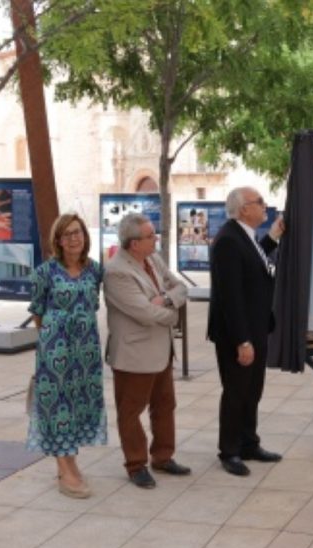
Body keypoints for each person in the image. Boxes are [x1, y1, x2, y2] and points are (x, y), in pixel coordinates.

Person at [104, 213, 191, 489]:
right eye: (150, 235)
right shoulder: (117, 271)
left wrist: (165, 299)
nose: (156, 239)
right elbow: (144, 313)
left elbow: (181, 287)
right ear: (133, 244)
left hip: (162, 351)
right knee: (131, 412)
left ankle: (163, 457)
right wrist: (172, 313)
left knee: (165, 405)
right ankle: (136, 464)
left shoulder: (153, 259)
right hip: (134, 356)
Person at [28, 213, 107, 499]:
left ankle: (70, 462)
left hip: (86, 351)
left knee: (77, 403)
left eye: (78, 232)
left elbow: (93, 304)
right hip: (56, 349)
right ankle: (65, 467)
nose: (74, 238)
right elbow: (37, 312)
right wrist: (54, 336)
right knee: (57, 404)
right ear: (58, 241)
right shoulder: (44, 273)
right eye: (68, 234)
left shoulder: (95, 270)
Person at [207, 186, 285, 476]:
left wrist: (273, 236)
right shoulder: (228, 240)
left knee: (253, 391)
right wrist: (242, 341)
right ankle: (229, 451)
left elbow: (254, 263)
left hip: (256, 328)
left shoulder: (244, 236)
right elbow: (231, 296)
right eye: (260, 202)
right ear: (243, 209)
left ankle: (249, 443)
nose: (265, 206)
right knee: (236, 392)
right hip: (237, 334)